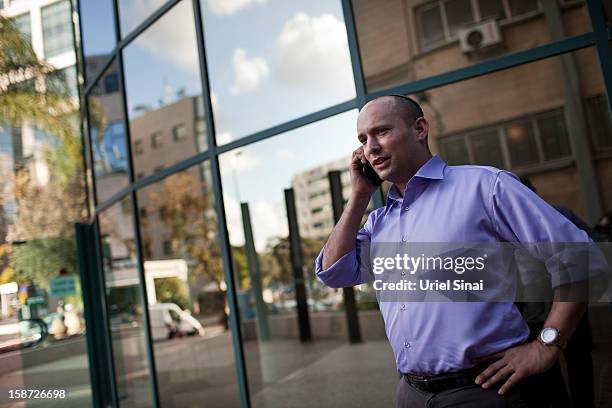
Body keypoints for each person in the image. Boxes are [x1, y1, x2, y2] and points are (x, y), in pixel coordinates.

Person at [315, 95, 593, 407]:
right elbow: (334, 272)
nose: (371, 147)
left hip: (484, 388)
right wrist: (358, 196)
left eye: (381, 132)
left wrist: (546, 345)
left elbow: (579, 257)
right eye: (363, 139)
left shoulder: (485, 185)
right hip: (411, 393)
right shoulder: (379, 221)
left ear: (420, 129)